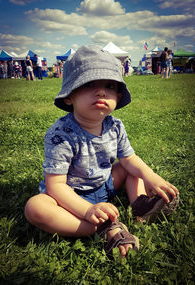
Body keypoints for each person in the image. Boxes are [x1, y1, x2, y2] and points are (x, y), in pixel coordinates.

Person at [24, 46, 179, 258]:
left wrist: (151, 177)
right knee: (35, 207)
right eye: (88, 84)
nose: (101, 91)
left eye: (109, 85)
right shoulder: (60, 133)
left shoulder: (115, 126)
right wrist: (88, 211)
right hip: (70, 194)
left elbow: (130, 158)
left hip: (104, 183)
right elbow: (55, 185)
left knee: (130, 167)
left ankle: (140, 205)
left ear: (117, 94)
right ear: (69, 96)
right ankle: (104, 228)